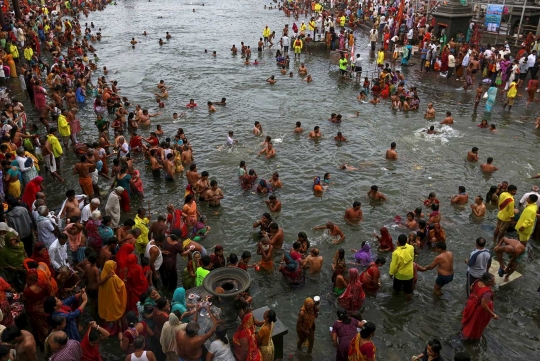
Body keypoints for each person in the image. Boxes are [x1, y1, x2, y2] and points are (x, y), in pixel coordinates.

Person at [461, 272, 499, 340]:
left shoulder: (477, 281)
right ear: (487, 281)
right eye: (492, 281)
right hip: (479, 310)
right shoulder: (488, 292)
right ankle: (470, 336)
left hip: (471, 303)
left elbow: (471, 287)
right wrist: (493, 314)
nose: (494, 283)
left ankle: (464, 330)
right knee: (475, 324)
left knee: (469, 319)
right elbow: (483, 305)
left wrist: (475, 297)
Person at [98, 260, 127, 329]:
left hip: (105, 297)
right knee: (114, 311)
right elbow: (122, 285)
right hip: (113, 298)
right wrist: (124, 277)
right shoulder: (114, 278)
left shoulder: (103, 274)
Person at [389, 234, 415, 300]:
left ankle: (395, 300)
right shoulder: (411, 248)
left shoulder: (396, 253)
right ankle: (408, 303)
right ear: (407, 241)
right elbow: (412, 258)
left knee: (396, 290)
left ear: (398, 242)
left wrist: (391, 273)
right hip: (409, 274)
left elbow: (394, 265)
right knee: (408, 291)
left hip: (399, 275)